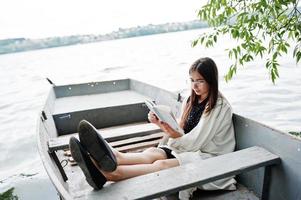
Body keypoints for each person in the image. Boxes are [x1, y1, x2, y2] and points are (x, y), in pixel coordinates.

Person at [69, 57, 236, 199]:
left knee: (161, 164)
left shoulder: (219, 107)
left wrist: (170, 131)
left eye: (200, 81)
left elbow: (196, 141)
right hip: (189, 147)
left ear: (211, 81)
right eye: (192, 80)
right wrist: (161, 123)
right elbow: (182, 129)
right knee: (152, 153)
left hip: (211, 157)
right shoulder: (190, 100)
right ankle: (110, 156)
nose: (195, 86)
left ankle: (109, 174)